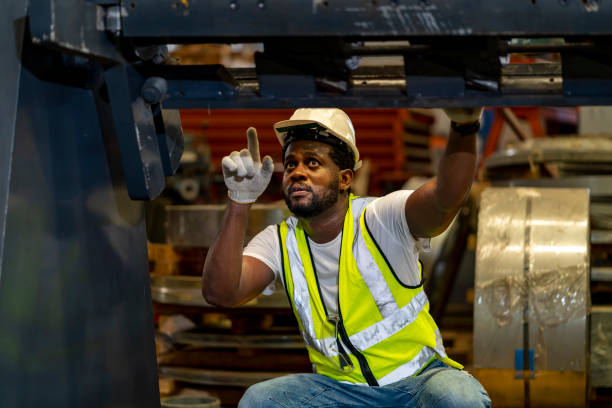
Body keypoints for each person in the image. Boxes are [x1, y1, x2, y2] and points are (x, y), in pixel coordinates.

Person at [202, 108, 491, 408]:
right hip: (340, 393)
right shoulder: (281, 241)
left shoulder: (380, 219)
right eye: (291, 164)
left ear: (344, 178)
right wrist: (239, 201)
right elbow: (220, 293)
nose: (297, 172)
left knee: (457, 397)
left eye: (312, 163)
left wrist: (464, 126)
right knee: (260, 401)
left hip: (418, 382)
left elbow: (444, 199)